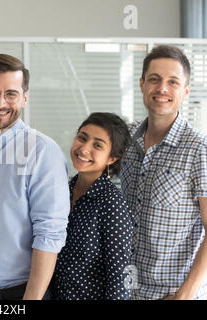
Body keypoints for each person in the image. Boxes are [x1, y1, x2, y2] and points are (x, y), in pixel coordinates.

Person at [0, 53, 70, 300]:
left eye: (11, 94)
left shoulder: (42, 151)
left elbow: (50, 233)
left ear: (24, 98)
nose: (0, 102)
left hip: (22, 293)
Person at [120, 45, 207, 300]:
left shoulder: (199, 149)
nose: (162, 89)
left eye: (173, 82)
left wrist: (185, 295)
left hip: (171, 294)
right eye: (155, 79)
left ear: (186, 91)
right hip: (124, 291)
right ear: (142, 84)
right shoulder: (124, 138)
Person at [52, 112, 133, 300]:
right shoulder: (62, 190)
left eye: (97, 145)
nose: (84, 149)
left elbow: (120, 278)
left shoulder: (111, 203)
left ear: (112, 158)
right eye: (82, 138)